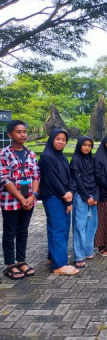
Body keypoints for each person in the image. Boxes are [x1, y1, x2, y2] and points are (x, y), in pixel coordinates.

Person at [0, 120, 39, 280]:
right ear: (10, 134)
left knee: (23, 232)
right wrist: (21, 198)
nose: (22, 134)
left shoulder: (30, 153)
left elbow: (36, 175)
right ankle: (10, 264)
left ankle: (21, 261)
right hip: (11, 200)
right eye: (18, 131)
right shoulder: (4, 154)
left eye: (24, 131)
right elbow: (4, 178)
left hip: (29, 200)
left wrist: (33, 196)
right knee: (10, 232)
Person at [39, 129, 79, 275]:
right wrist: (65, 195)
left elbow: (70, 178)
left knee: (60, 227)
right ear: (51, 140)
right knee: (58, 228)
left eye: (63, 140)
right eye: (58, 139)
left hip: (64, 197)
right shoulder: (46, 158)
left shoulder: (61, 157)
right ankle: (59, 265)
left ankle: (52, 257)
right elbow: (51, 180)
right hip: (53, 197)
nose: (61, 142)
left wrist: (71, 192)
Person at [70, 136, 99, 268]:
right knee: (79, 225)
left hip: (93, 194)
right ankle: (79, 255)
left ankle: (88, 250)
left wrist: (95, 196)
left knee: (92, 224)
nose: (87, 147)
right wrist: (87, 196)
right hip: (81, 196)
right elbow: (76, 180)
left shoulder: (91, 160)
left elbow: (96, 177)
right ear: (79, 145)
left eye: (89, 145)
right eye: (84, 145)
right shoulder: (75, 160)